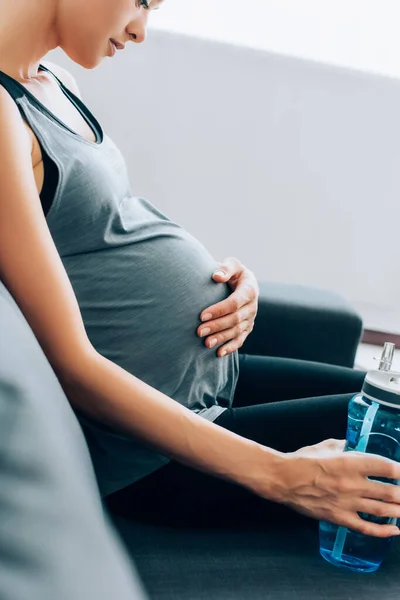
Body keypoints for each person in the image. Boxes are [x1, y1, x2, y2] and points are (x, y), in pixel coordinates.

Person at [1, 0, 400, 538]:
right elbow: (72, 364)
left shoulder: (51, 81)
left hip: (204, 389)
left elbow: (104, 231)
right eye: (142, 1)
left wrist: (223, 280)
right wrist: (284, 477)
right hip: (151, 456)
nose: (141, 30)